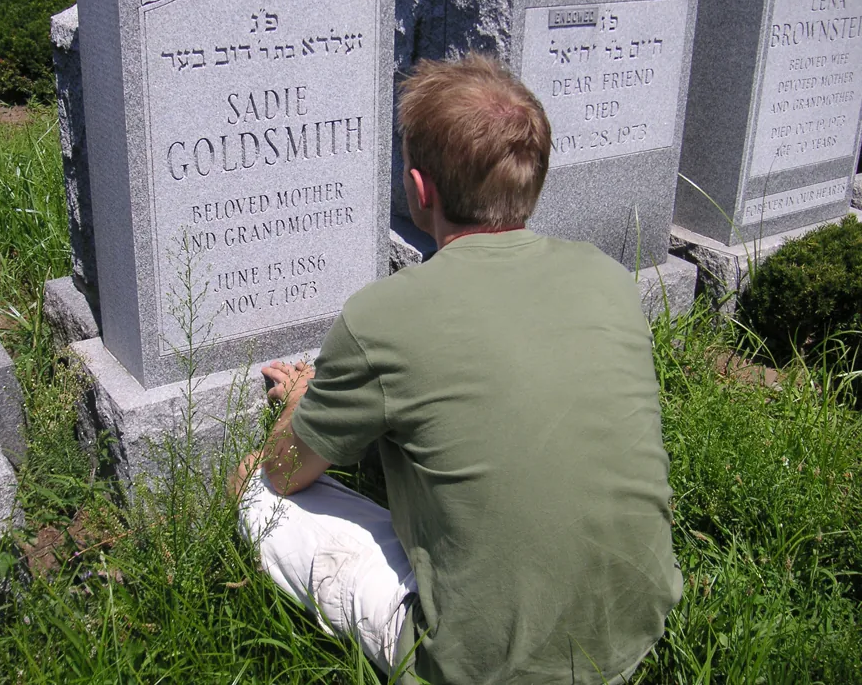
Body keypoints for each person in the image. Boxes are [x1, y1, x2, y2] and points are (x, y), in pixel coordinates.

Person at [229, 53, 682, 684]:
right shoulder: (608, 278)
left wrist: (303, 408)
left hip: (483, 667)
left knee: (257, 490)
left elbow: (286, 471)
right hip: (635, 624)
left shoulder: (383, 315)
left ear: (419, 190)